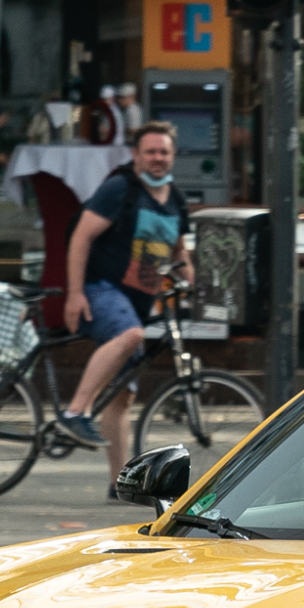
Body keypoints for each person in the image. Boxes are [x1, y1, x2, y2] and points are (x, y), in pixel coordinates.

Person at [57, 122, 188, 496]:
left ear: (173, 155)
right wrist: (75, 293)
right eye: (150, 152)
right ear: (136, 155)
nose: (157, 158)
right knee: (130, 335)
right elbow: (82, 236)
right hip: (102, 289)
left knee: (123, 396)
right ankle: (74, 412)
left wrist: (189, 280)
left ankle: (119, 484)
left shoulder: (175, 200)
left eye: (163, 152)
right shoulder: (120, 190)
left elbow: (181, 253)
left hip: (137, 302)